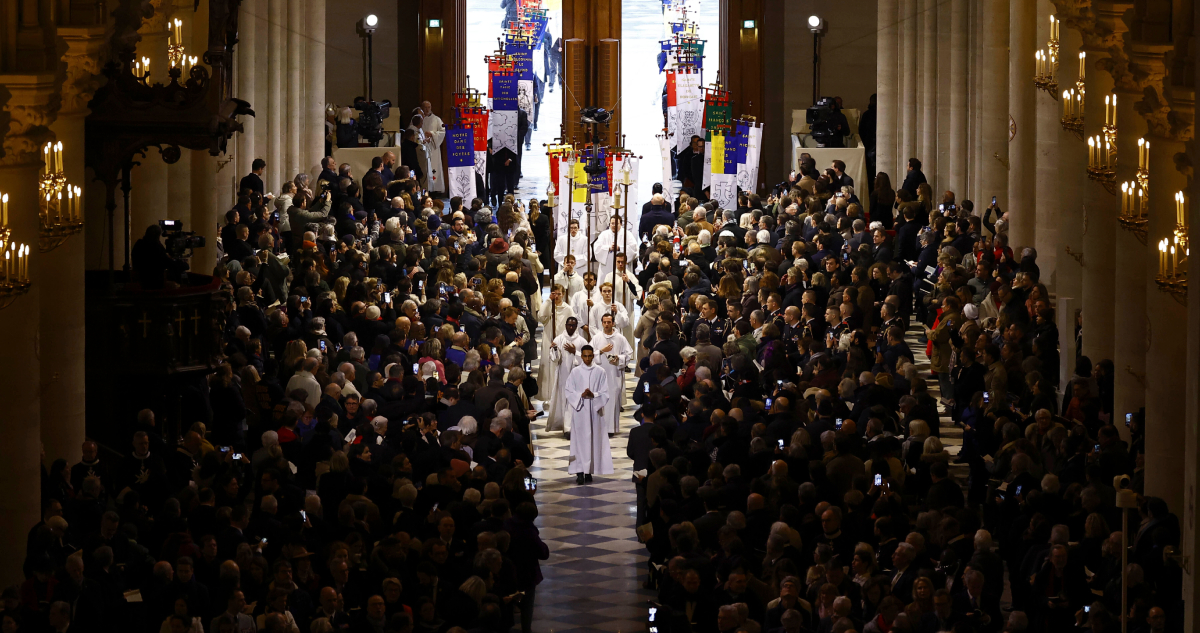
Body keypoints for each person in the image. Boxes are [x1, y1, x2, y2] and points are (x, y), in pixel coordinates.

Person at [563, 345, 612, 484]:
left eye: (590, 356)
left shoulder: (600, 371)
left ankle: (589, 471)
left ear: (593, 356)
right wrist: (580, 396)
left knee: (593, 441)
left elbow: (605, 393)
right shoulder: (575, 372)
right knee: (579, 442)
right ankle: (579, 472)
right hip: (580, 411)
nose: (587, 359)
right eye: (584, 356)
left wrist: (593, 395)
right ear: (581, 356)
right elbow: (568, 391)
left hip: (595, 412)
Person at [588, 313, 632, 436]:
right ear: (602, 323)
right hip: (600, 375)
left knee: (613, 400)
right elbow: (589, 354)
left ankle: (611, 429)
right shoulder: (597, 338)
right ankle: (599, 427)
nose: (607, 324)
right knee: (599, 399)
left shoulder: (620, 338)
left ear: (613, 323)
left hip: (614, 374)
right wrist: (602, 351)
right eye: (604, 322)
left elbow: (628, 355)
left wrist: (619, 358)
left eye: (609, 322)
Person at [544, 317, 586, 434]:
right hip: (563, 374)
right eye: (569, 325)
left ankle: (575, 426)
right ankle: (566, 427)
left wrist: (575, 352)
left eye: (573, 325)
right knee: (564, 400)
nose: (571, 327)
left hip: (578, 377)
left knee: (575, 400)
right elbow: (554, 359)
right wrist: (555, 349)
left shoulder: (582, 341)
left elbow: (588, 358)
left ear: (576, 326)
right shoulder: (559, 339)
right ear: (566, 325)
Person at [419, 101, 446, 195]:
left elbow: (443, 131)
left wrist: (432, 134)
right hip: (422, 147)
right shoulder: (419, 118)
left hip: (433, 147)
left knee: (434, 168)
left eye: (428, 107)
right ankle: (425, 189)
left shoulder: (436, 119)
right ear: (421, 107)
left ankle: (435, 190)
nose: (427, 109)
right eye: (425, 107)